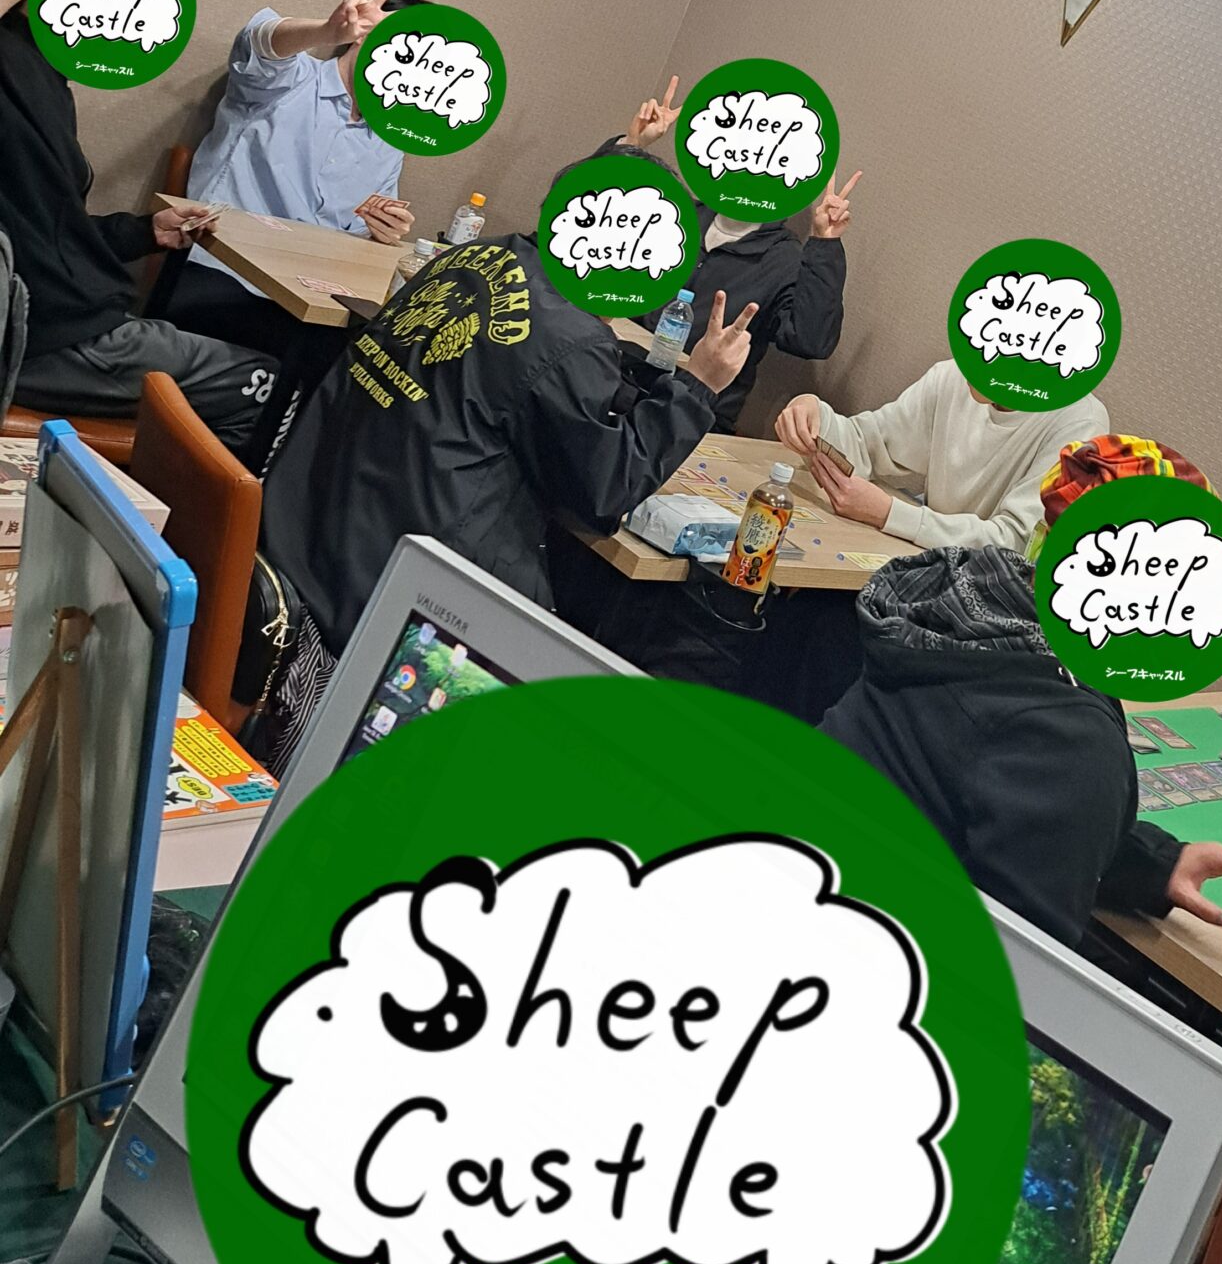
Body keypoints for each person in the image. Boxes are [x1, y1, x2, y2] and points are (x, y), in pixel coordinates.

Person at [252, 172, 761, 769]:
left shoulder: (473, 256)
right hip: (396, 592)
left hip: (307, 532)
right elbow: (607, 490)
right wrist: (699, 387)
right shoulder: (568, 336)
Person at [821, 435, 1222, 950]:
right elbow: (1016, 966)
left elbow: (988, 798)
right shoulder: (1070, 741)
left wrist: (1157, 864)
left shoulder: (967, 615)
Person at [0, 0, 276, 457]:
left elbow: (46, 229)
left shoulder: (44, 74)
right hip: (41, 336)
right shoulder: (9, 58)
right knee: (270, 386)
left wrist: (145, 231)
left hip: (69, 320)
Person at [165, 0, 428, 357]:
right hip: (220, 272)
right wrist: (326, 31)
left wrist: (384, 231)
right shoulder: (291, 79)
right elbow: (257, 39)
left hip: (313, 299)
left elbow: (361, 235)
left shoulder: (390, 139)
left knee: (377, 358)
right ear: (364, 35)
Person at [602, 77, 858, 431]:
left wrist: (824, 243)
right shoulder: (676, 215)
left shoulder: (783, 258)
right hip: (612, 376)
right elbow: (591, 222)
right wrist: (633, 145)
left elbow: (811, 340)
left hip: (695, 412)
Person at [774, 356, 1110, 553]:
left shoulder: (1079, 421)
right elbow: (867, 444)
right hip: (914, 564)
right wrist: (811, 413)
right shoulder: (951, 376)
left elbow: (1014, 545)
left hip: (982, 603)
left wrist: (887, 513)